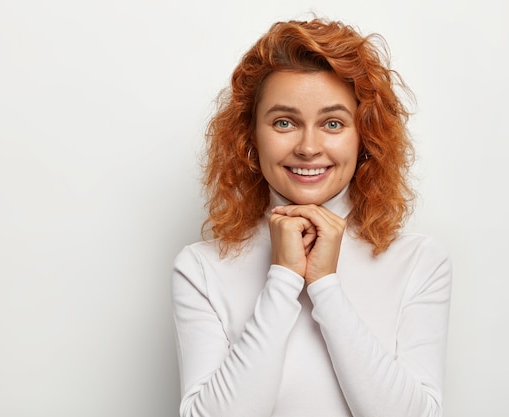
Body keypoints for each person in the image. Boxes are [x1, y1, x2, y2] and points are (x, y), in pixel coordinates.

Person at [171, 17, 452, 417]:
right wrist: (283, 279)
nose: (308, 147)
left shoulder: (420, 263)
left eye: (333, 123)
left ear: (366, 136)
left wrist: (325, 286)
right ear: (249, 135)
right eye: (284, 122)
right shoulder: (200, 269)